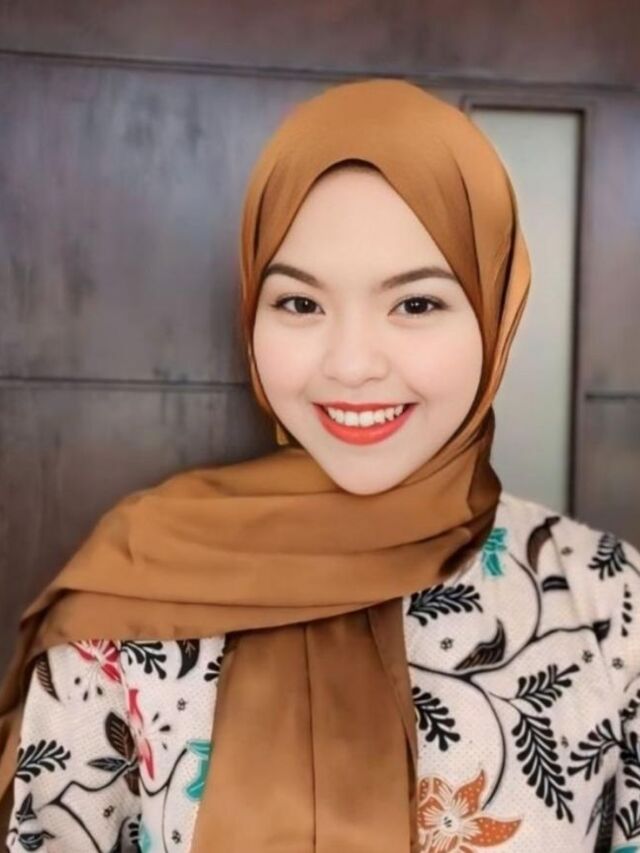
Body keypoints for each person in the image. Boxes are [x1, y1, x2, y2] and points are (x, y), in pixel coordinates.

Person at [1, 77, 639, 853]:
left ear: (495, 311)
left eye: (416, 303)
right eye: (300, 304)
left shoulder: (609, 603)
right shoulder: (136, 579)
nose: (351, 364)